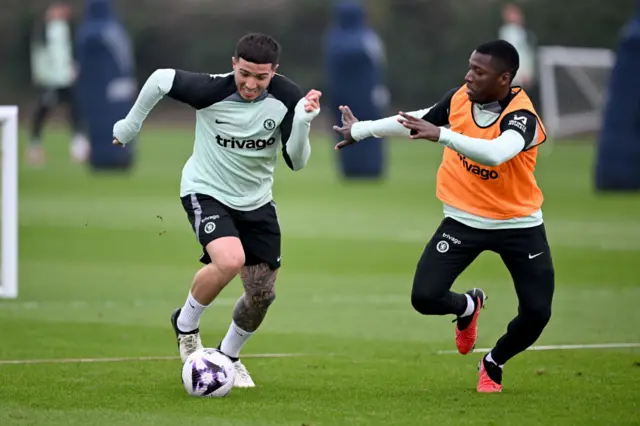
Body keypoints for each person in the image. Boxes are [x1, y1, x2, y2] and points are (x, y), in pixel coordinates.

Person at [333, 40, 554, 393]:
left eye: (479, 72)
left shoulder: (523, 117)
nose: (469, 76)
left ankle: (494, 361)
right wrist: (362, 130)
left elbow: (496, 154)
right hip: (463, 220)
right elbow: (418, 120)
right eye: (469, 66)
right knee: (424, 297)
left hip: (519, 226)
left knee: (537, 313)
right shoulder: (459, 99)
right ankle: (468, 305)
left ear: (504, 78)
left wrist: (443, 136)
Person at [111, 33, 322, 388]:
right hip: (206, 191)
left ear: (275, 72)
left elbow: (296, 162)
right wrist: (129, 127)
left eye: (261, 77)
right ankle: (186, 325)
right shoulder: (211, 90)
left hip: (257, 202)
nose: (251, 84)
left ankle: (227, 357)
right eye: (244, 74)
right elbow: (161, 79)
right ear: (233, 64)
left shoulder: (288, 98)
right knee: (229, 260)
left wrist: (302, 121)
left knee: (262, 295)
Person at [28, 2, 89, 166]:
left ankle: (79, 147)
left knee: (75, 110)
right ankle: (35, 147)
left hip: (66, 79)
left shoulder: (68, 29)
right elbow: (39, 54)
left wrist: (74, 68)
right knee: (42, 112)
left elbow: (71, 52)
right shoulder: (44, 31)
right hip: (50, 80)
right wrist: (40, 74)